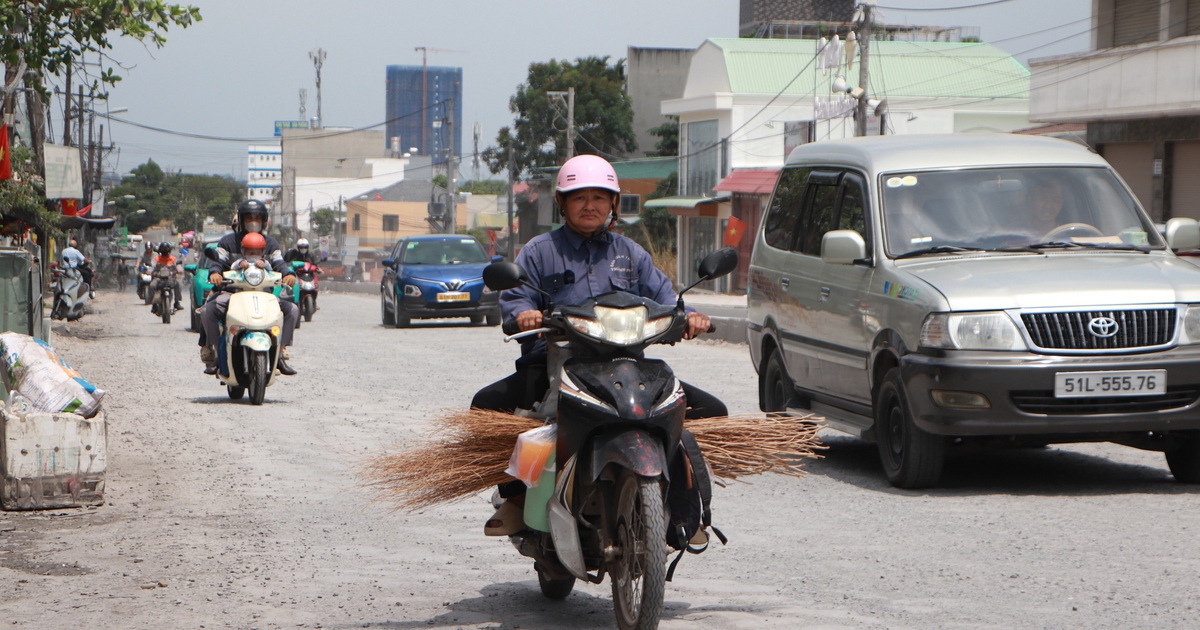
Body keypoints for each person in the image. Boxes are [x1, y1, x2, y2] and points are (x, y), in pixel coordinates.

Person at [471, 154, 726, 419]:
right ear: (562, 202)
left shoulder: (631, 254)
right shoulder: (539, 251)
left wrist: (691, 317)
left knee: (713, 411)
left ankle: (680, 461)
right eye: (579, 198)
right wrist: (524, 316)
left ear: (613, 203)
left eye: (599, 198)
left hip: (627, 367)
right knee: (484, 405)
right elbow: (517, 299)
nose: (590, 206)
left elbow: (665, 298)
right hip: (553, 366)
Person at [199, 199, 299, 376]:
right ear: (242, 220)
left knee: (291, 309)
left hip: (264, 295)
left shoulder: (272, 244)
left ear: (264, 220)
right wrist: (215, 273)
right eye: (249, 218)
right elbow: (219, 262)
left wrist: (288, 273)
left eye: (258, 218)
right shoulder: (227, 242)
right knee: (208, 310)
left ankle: (280, 353)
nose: (253, 221)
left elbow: (279, 263)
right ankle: (216, 353)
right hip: (231, 294)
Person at [148, 242, 184, 313]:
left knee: (177, 284)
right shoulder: (156, 259)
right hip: (158, 278)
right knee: (151, 285)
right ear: (160, 250)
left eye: (166, 249)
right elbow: (151, 267)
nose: (164, 250)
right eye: (162, 249)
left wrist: (179, 270)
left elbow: (178, 267)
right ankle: (154, 304)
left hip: (170, 278)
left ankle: (177, 302)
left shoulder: (173, 259)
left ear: (169, 250)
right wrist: (149, 271)